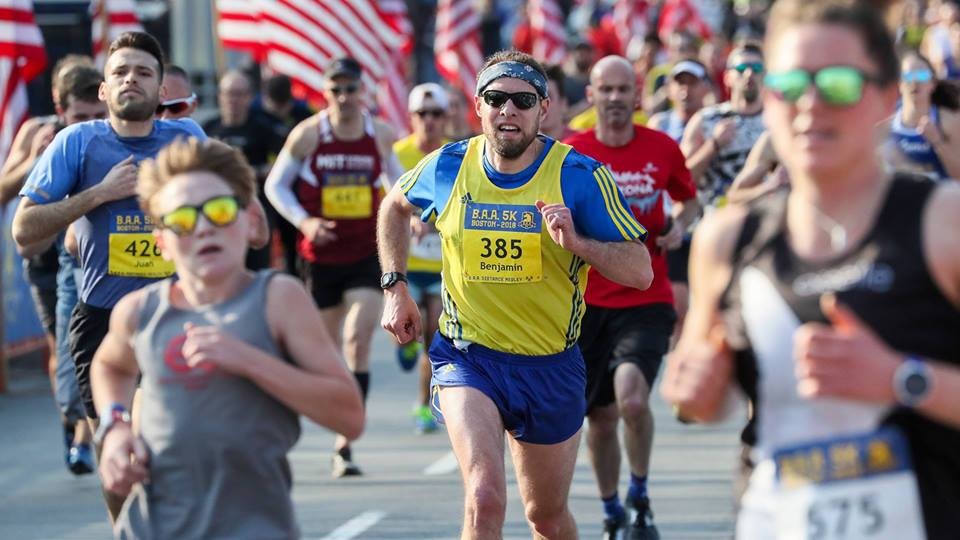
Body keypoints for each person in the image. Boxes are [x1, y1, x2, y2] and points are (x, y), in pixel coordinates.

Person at [661, 1, 960, 538]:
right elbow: (697, 399)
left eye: (838, 85)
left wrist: (902, 378)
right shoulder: (727, 239)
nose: (810, 105)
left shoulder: (943, 222)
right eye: (791, 85)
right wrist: (697, 389)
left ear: (887, 97)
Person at [378, 50, 654, 539]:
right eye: (496, 98)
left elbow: (641, 271)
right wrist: (395, 286)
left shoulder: (579, 176)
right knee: (484, 498)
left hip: (548, 365)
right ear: (478, 106)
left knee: (545, 518)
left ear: (543, 108)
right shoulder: (448, 166)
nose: (508, 110)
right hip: (469, 356)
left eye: (523, 100)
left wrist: (580, 244)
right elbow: (394, 208)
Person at [11, 31, 268, 520]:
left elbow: (251, 226)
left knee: (157, 440)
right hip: (102, 322)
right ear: (104, 89)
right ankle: (128, 529)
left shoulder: (185, 140)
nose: (132, 79)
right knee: (117, 459)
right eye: (121, 72)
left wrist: (239, 211)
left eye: (144, 72)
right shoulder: (76, 142)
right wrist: (98, 195)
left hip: (174, 314)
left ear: (160, 90)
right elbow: (24, 230)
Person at [90, 137, 364, 539]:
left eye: (219, 210)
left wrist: (247, 360)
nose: (203, 228)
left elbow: (349, 416)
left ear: (249, 220)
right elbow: (110, 364)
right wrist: (115, 427)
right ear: (161, 242)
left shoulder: (277, 299)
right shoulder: (139, 312)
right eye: (182, 219)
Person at [564, 55, 699, 540]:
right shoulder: (572, 153)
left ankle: (639, 495)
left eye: (624, 89)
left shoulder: (662, 147)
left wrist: (679, 226)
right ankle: (611, 509)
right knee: (599, 418)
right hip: (586, 305)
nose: (616, 98)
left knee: (632, 399)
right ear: (592, 95)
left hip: (646, 297)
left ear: (637, 95)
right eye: (607, 90)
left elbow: (689, 199)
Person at [265, 56, 400, 478]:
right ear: (324, 93)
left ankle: (346, 441)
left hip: (365, 252)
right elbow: (275, 186)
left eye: (350, 89)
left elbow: (398, 184)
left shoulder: (379, 134)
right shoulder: (309, 134)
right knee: (326, 352)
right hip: (321, 257)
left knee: (358, 337)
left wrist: (408, 214)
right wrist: (304, 221)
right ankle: (333, 413)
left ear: (362, 92)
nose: (343, 97)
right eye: (335, 90)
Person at [0, 59, 104, 475]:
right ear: (61, 109)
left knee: (89, 342)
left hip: (91, 256)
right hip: (44, 255)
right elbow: (3, 189)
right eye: (80, 117)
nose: (90, 124)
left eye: (97, 116)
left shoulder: (110, 135)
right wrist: (35, 161)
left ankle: (83, 432)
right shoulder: (38, 132)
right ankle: (70, 418)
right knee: (59, 346)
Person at [391, 82, 450, 434]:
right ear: (411, 117)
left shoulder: (455, 156)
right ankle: (403, 347)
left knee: (433, 335)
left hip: (442, 264)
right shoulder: (397, 155)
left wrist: (434, 222)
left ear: (446, 118)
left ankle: (423, 405)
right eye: (422, 114)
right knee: (403, 330)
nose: (429, 121)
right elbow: (387, 206)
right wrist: (410, 219)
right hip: (407, 263)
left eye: (436, 114)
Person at [204, 70, 282, 270]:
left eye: (239, 94)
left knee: (256, 268)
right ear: (220, 96)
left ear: (249, 97)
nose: (233, 99)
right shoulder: (207, 129)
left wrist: (260, 171)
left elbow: (285, 162)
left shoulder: (263, 128)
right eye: (229, 93)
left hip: (253, 207)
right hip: (217, 210)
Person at [680, 43, 767, 209]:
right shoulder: (706, 119)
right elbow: (681, 182)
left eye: (756, 68)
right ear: (727, 77)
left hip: (765, 215)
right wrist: (713, 145)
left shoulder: (778, 122)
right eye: (741, 68)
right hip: (714, 214)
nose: (749, 74)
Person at [885, 51, 960, 181]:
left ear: (932, 84)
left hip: (942, 193)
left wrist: (937, 142)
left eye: (922, 75)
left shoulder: (948, 121)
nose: (915, 81)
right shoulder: (885, 128)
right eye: (908, 76)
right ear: (900, 84)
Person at [541, 64, 573, 140]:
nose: (541, 104)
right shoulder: (518, 144)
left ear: (563, 104)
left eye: (548, 97)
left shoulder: (582, 143)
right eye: (535, 97)